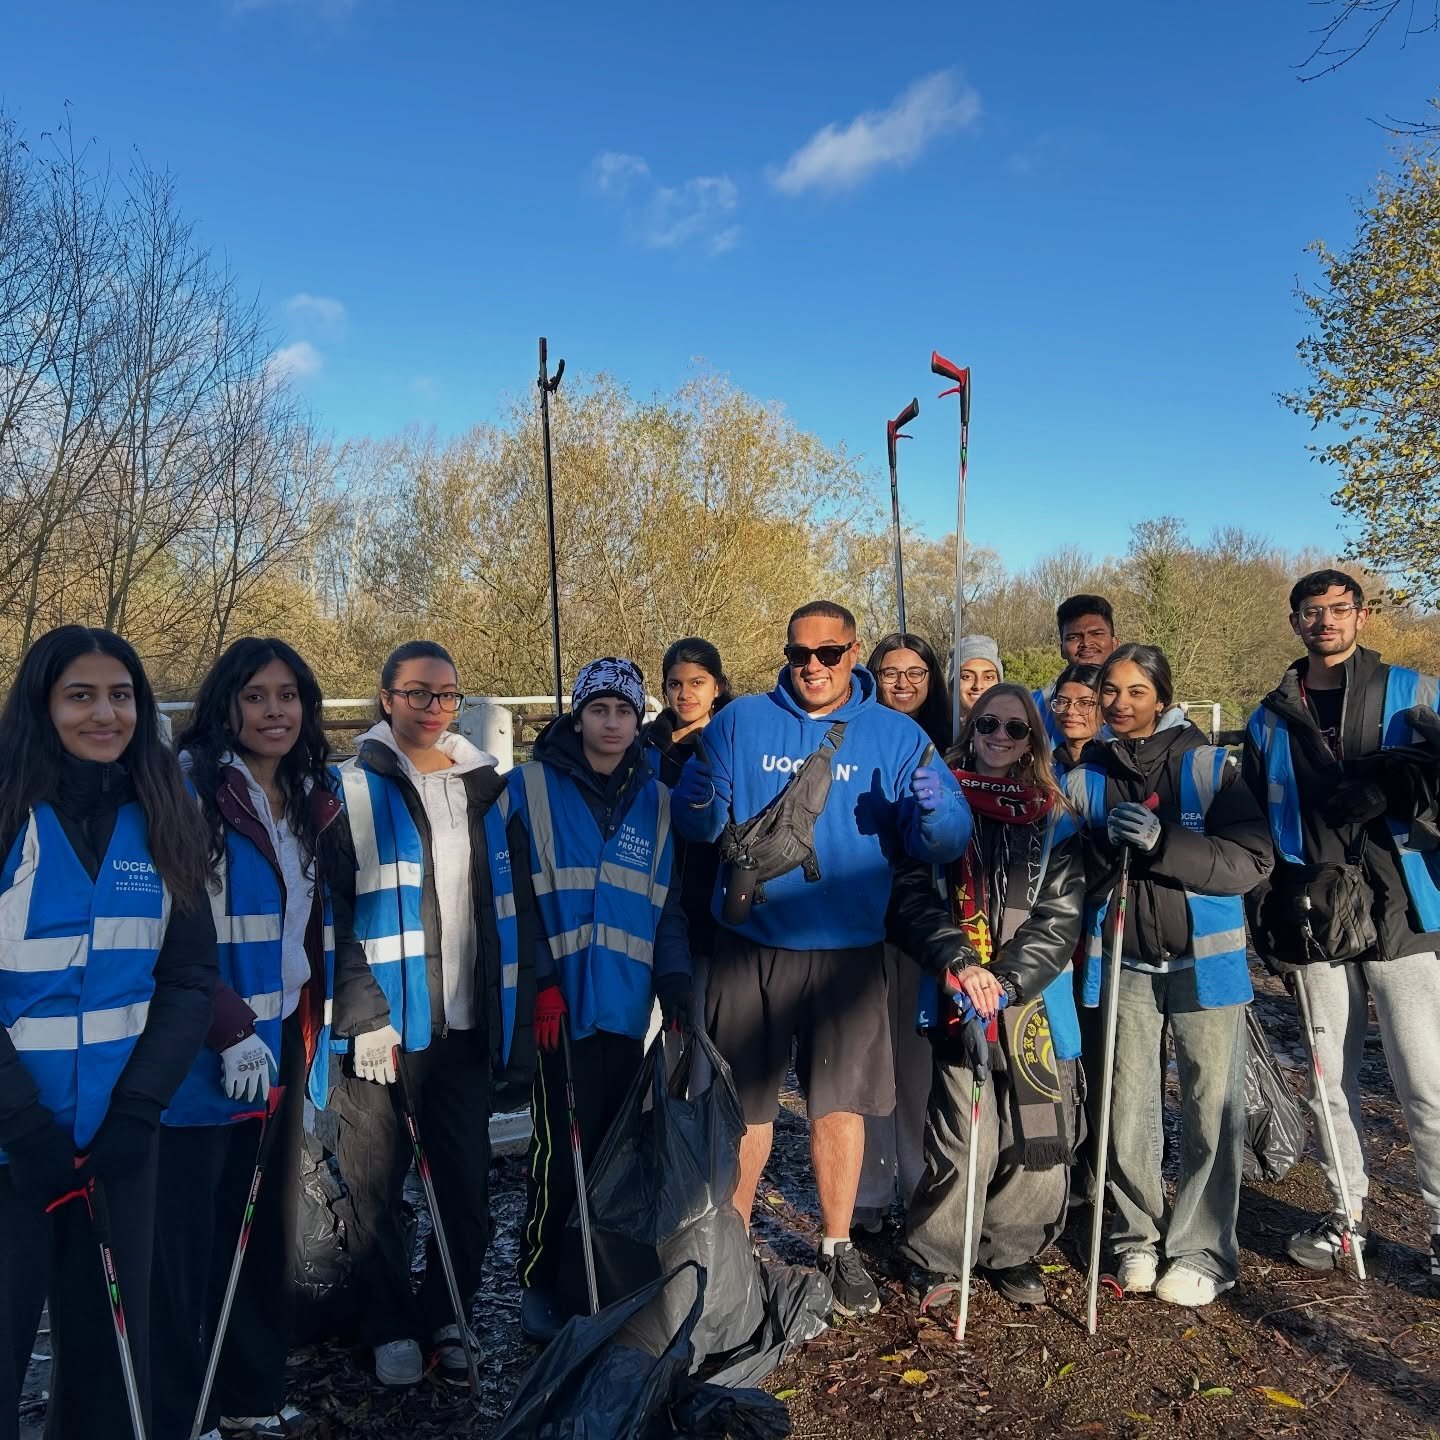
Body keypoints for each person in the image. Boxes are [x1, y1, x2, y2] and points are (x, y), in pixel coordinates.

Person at [673, 601, 971, 1316]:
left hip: (848, 956)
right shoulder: (741, 720)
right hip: (751, 950)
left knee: (839, 1109)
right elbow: (697, 827)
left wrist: (935, 811)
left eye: (830, 654)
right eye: (800, 653)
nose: (813, 666)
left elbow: (948, 841)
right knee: (746, 1108)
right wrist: (696, 804)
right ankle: (734, 1244)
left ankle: (836, 1247)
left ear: (853, 651)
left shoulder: (897, 737)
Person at [150, 638, 374, 1440]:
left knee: (259, 1221)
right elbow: (167, 930)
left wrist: (325, 1014)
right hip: (202, 1041)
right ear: (226, 705)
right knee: (192, 1235)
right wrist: (223, 1026)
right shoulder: (192, 793)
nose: (274, 711)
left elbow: (314, 924)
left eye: (288, 696)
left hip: (281, 1029)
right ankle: (184, 1408)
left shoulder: (311, 796)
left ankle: (248, 1386)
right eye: (255, 696)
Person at [0, 626, 216, 1440]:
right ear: (43, 704)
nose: (105, 713)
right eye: (80, 695)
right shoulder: (8, 807)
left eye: (121, 695)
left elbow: (188, 975)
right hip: (11, 1140)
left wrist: (139, 1109)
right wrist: (21, 1124)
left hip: (118, 1138)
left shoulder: (164, 809)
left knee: (104, 1363)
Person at [329, 641, 539, 1387]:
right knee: (378, 1187)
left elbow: (514, 904)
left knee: (465, 1184)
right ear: (386, 697)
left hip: (466, 1024)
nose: (435, 707)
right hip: (385, 1027)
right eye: (418, 693)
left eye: (447, 695)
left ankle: (445, 1311)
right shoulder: (349, 787)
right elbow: (333, 911)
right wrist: (361, 1013)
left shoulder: (488, 788)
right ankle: (387, 1322)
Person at [1244, 569, 1440, 1284]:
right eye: (1309, 611)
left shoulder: (1416, 691)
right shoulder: (1269, 717)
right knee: (1330, 1078)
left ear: (1360, 615)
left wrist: (1395, 787)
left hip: (1405, 909)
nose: (1323, 621)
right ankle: (1346, 1216)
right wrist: (1265, 908)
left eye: (1336, 609)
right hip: (1313, 916)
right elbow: (1256, 827)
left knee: (1425, 1080)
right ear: (1294, 622)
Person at [1065, 643, 1272, 1307]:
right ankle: (1134, 1240)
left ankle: (1202, 1250)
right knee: (1126, 1108)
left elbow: (1249, 862)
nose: (1120, 704)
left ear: (1161, 694)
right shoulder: (1085, 776)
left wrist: (1163, 843)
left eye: (1135, 691)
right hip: (1122, 961)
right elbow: (1063, 873)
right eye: (1110, 693)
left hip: (1203, 964)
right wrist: (1103, 849)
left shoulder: (1210, 767)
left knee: (1211, 1107)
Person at [508, 657, 692, 1342]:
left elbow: (667, 905)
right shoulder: (525, 788)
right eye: (599, 709)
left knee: (619, 1149)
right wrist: (542, 984)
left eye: (624, 711)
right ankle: (540, 1277)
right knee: (561, 1148)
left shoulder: (660, 794)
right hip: (560, 1005)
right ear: (577, 714)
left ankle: (599, 1275)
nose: (612, 723)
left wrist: (674, 983)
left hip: (626, 1005)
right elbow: (514, 902)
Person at [891, 683, 1086, 1308]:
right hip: (956, 991)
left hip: (1033, 1001)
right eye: (987, 725)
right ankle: (941, 1254)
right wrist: (959, 962)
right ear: (969, 729)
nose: (1000, 738)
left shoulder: (1056, 816)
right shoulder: (938, 802)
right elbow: (912, 897)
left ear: (1034, 739)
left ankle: (1014, 1246)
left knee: (1039, 1134)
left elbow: (1060, 917)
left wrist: (1006, 979)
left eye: (1016, 728)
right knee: (961, 1133)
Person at [852, 632, 952, 1236]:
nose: (903, 683)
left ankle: (918, 1178)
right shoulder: (855, 736)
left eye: (917, 672)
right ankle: (865, 1186)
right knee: (864, 1059)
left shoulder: (953, 743)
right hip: (862, 919)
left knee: (917, 1061)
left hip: (927, 926)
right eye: (891, 672)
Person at [1034, 596, 1119, 746]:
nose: (1086, 643)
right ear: (1061, 649)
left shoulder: (1134, 703)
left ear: (1115, 643)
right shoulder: (1035, 704)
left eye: (1096, 634)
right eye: (1074, 637)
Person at [1049, 663, 1103, 773]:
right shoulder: (1044, 770)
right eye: (1063, 701)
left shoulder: (1119, 770)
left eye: (1085, 703)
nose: (1070, 711)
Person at [955, 636, 1003, 722]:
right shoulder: (934, 732)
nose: (978, 685)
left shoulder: (1013, 731)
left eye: (988, 677)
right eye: (967, 676)